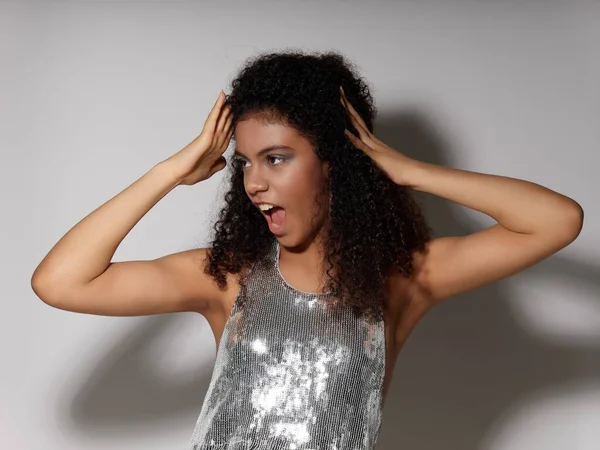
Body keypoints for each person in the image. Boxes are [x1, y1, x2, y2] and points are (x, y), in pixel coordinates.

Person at [31, 50, 584, 449]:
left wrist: (410, 171)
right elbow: (60, 282)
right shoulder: (226, 279)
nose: (253, 183)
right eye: (245, 163)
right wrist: (170, 172)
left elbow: (556, 221)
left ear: (334, 163)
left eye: (276, 158)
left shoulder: (402, 281)